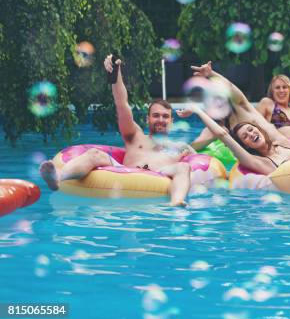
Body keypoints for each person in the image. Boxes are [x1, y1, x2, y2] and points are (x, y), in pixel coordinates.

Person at [39, 55, 194, 206]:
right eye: (156, 115)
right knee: (94, 153)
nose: (161, 120)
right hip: (124, 171)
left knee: (183, 167)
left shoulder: (179, 148)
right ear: (147, 119)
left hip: (160, 174)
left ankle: (176, 202)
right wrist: (115, 76)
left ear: (171, 121)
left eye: (165, 116)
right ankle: (58, 177)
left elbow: (200, 160)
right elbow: (122, 104)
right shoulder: (135, 136)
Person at [185, 62, 290, 152]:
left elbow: (229, 86)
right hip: (260, 159)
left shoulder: (242, 105)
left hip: (283, 146)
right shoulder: (220, 126)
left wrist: (211, 74)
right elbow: (195, 145)